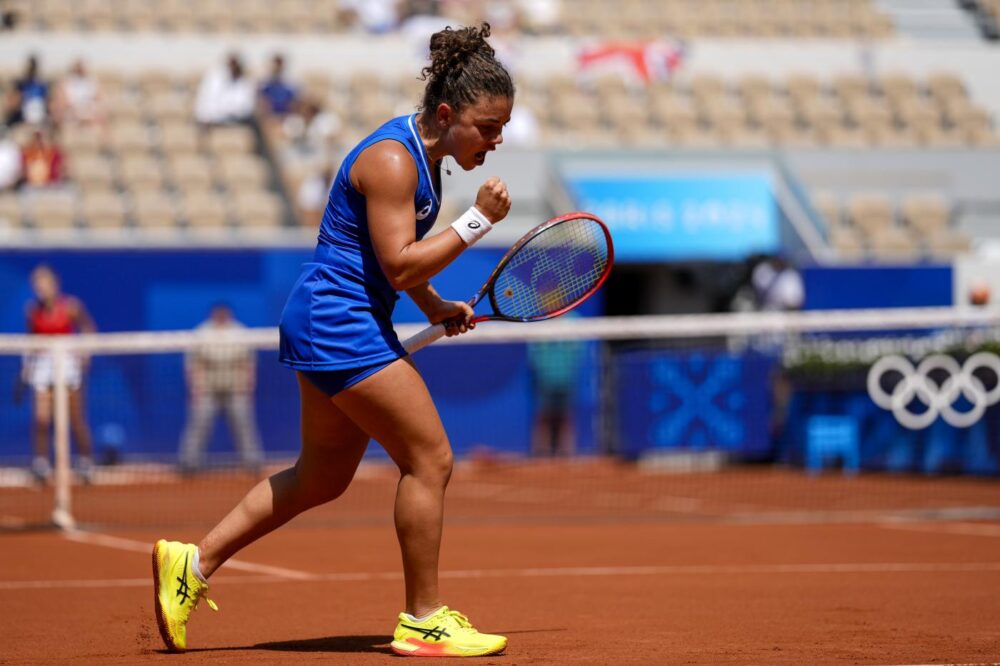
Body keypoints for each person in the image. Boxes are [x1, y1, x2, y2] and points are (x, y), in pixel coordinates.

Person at [153, 23, 513, 657]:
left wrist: (436, 304)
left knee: (321, 477)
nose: (497, 140)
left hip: (336, 318)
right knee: (429, 460)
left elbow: (391, 268)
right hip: (337, 321)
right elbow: (399, 264)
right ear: (449, 114)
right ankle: (424, 617)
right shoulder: (394, 160)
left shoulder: (422, 160)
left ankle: (193, 562)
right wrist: (478, 220)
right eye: (487, 127)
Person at [22, 265, 97, 484]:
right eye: (37, 284)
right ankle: (41, 464)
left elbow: (88, 328)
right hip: (43, 366)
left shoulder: (71, 307)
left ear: (55, 284)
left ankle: (85, 462)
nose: (41, 289)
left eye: (44, 283)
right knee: (41, 419)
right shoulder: (31, 310)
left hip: (67, 365)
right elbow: (31, 340)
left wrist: (85, 353)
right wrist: (27, 366)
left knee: (75, 419)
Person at [177, 303, 264, 476]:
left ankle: (252, 462)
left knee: (244, 426)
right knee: (198, 426)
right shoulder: (201, 333)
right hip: (207, 390)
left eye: (225, 314)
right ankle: (189, 463)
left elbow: (248, 364)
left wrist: (247, 387)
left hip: (235, 390)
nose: (222, 317)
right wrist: (195, 388)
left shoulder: (240, 333)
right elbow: (193, 365)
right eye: (219, 314)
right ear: (213, 315)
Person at [194, 53, 256, 126]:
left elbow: (245, 104)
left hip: (231, 115)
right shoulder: (215, 79)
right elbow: (211, 103)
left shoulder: (242, 80)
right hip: (214, 116)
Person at [258, 53, 299, 120]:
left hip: (286, 116)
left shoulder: (290, 82)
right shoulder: (265, 83)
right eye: (275, 64)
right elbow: (262, 100)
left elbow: (294, 102)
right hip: (270, 116)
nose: (277, 67)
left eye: (279, 64)